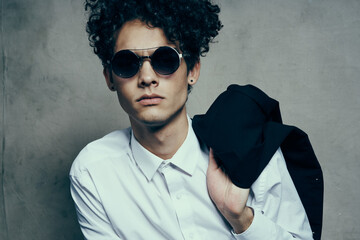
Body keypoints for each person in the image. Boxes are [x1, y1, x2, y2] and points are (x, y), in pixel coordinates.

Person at [70, 0, 314, 239]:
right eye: (127, 63)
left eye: (165, 60)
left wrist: (241, 218)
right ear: (109, 78)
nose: (146, 77)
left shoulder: (253, 145)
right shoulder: (93, 172)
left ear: (193, 70)